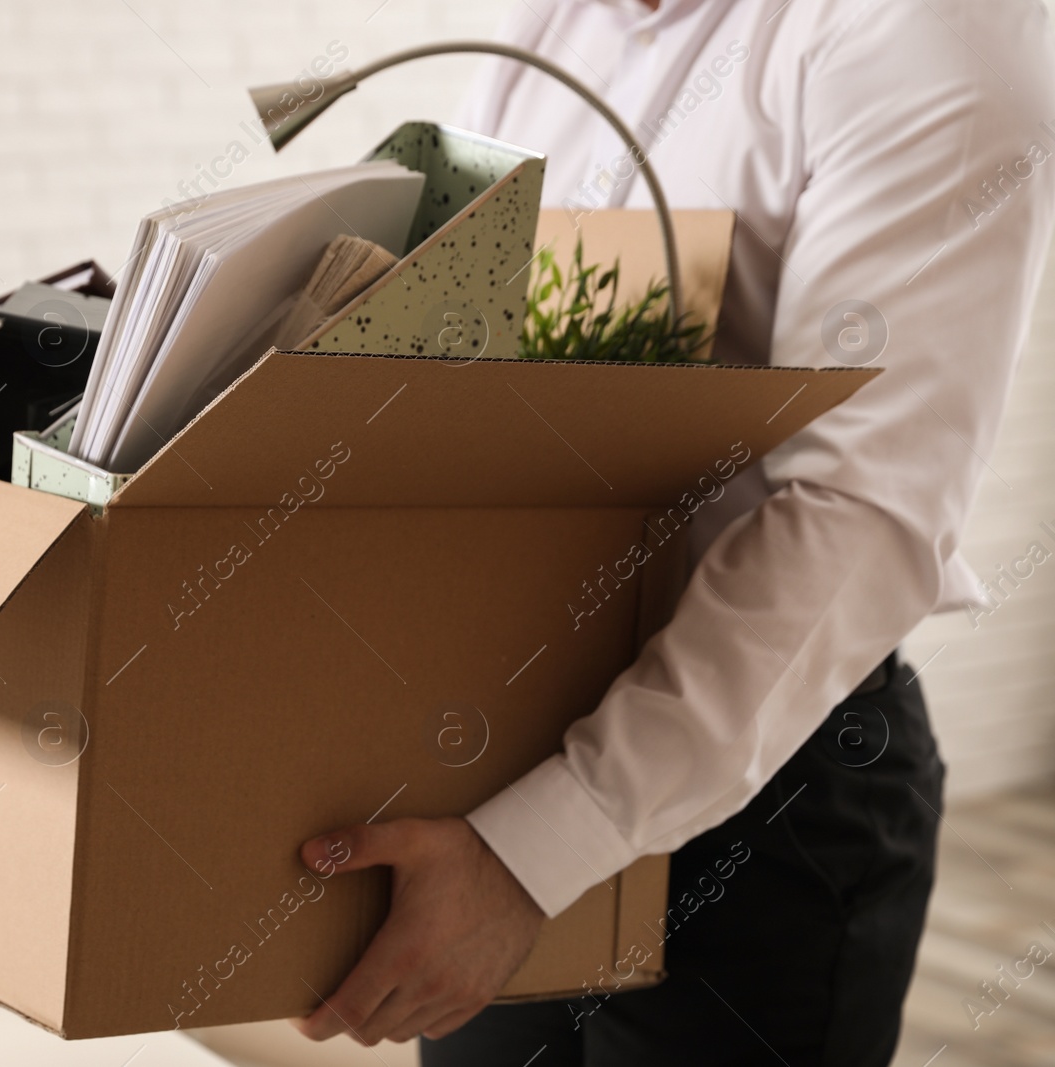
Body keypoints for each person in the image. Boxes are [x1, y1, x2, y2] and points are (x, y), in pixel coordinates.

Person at [292, 1, 1055, 1063]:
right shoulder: (551, 27)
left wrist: (532, 855)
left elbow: (862, 514)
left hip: (764, 789)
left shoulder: (919, 29)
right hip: (507, 764)